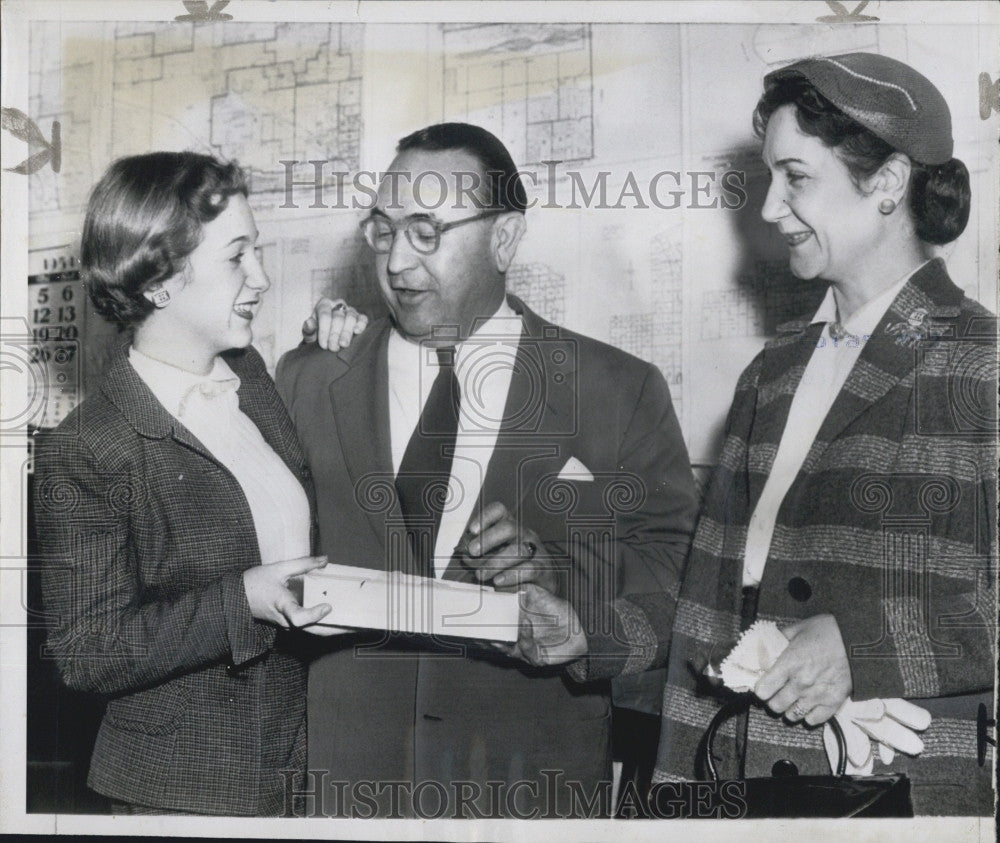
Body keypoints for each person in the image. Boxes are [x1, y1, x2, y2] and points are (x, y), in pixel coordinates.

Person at [521, 53, 997, 816]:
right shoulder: (772, 374)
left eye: (796, 177)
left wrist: (861, 645)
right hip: (730, 787)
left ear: (888, 182)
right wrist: (591, 635)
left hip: (899, 806)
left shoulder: (982, 365)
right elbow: (711, 606)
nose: (771, 210)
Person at [276, 122, 698, 817]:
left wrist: (565, 586)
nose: (398, 264)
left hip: (528, 788)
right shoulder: (309, 377)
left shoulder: (617, 388)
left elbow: (678, 568)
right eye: (383, 230)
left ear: (504, 239)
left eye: (427, 231)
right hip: (342, 790)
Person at [34, 151, 364, 815]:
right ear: (159, 279)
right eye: (237, 256)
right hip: (183, 792)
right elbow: (86, 652)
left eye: (259, 252)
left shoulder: (255, 376)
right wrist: (244, 599)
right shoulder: (86, 446)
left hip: (302, 772)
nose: (263, 277)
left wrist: (343, 350)